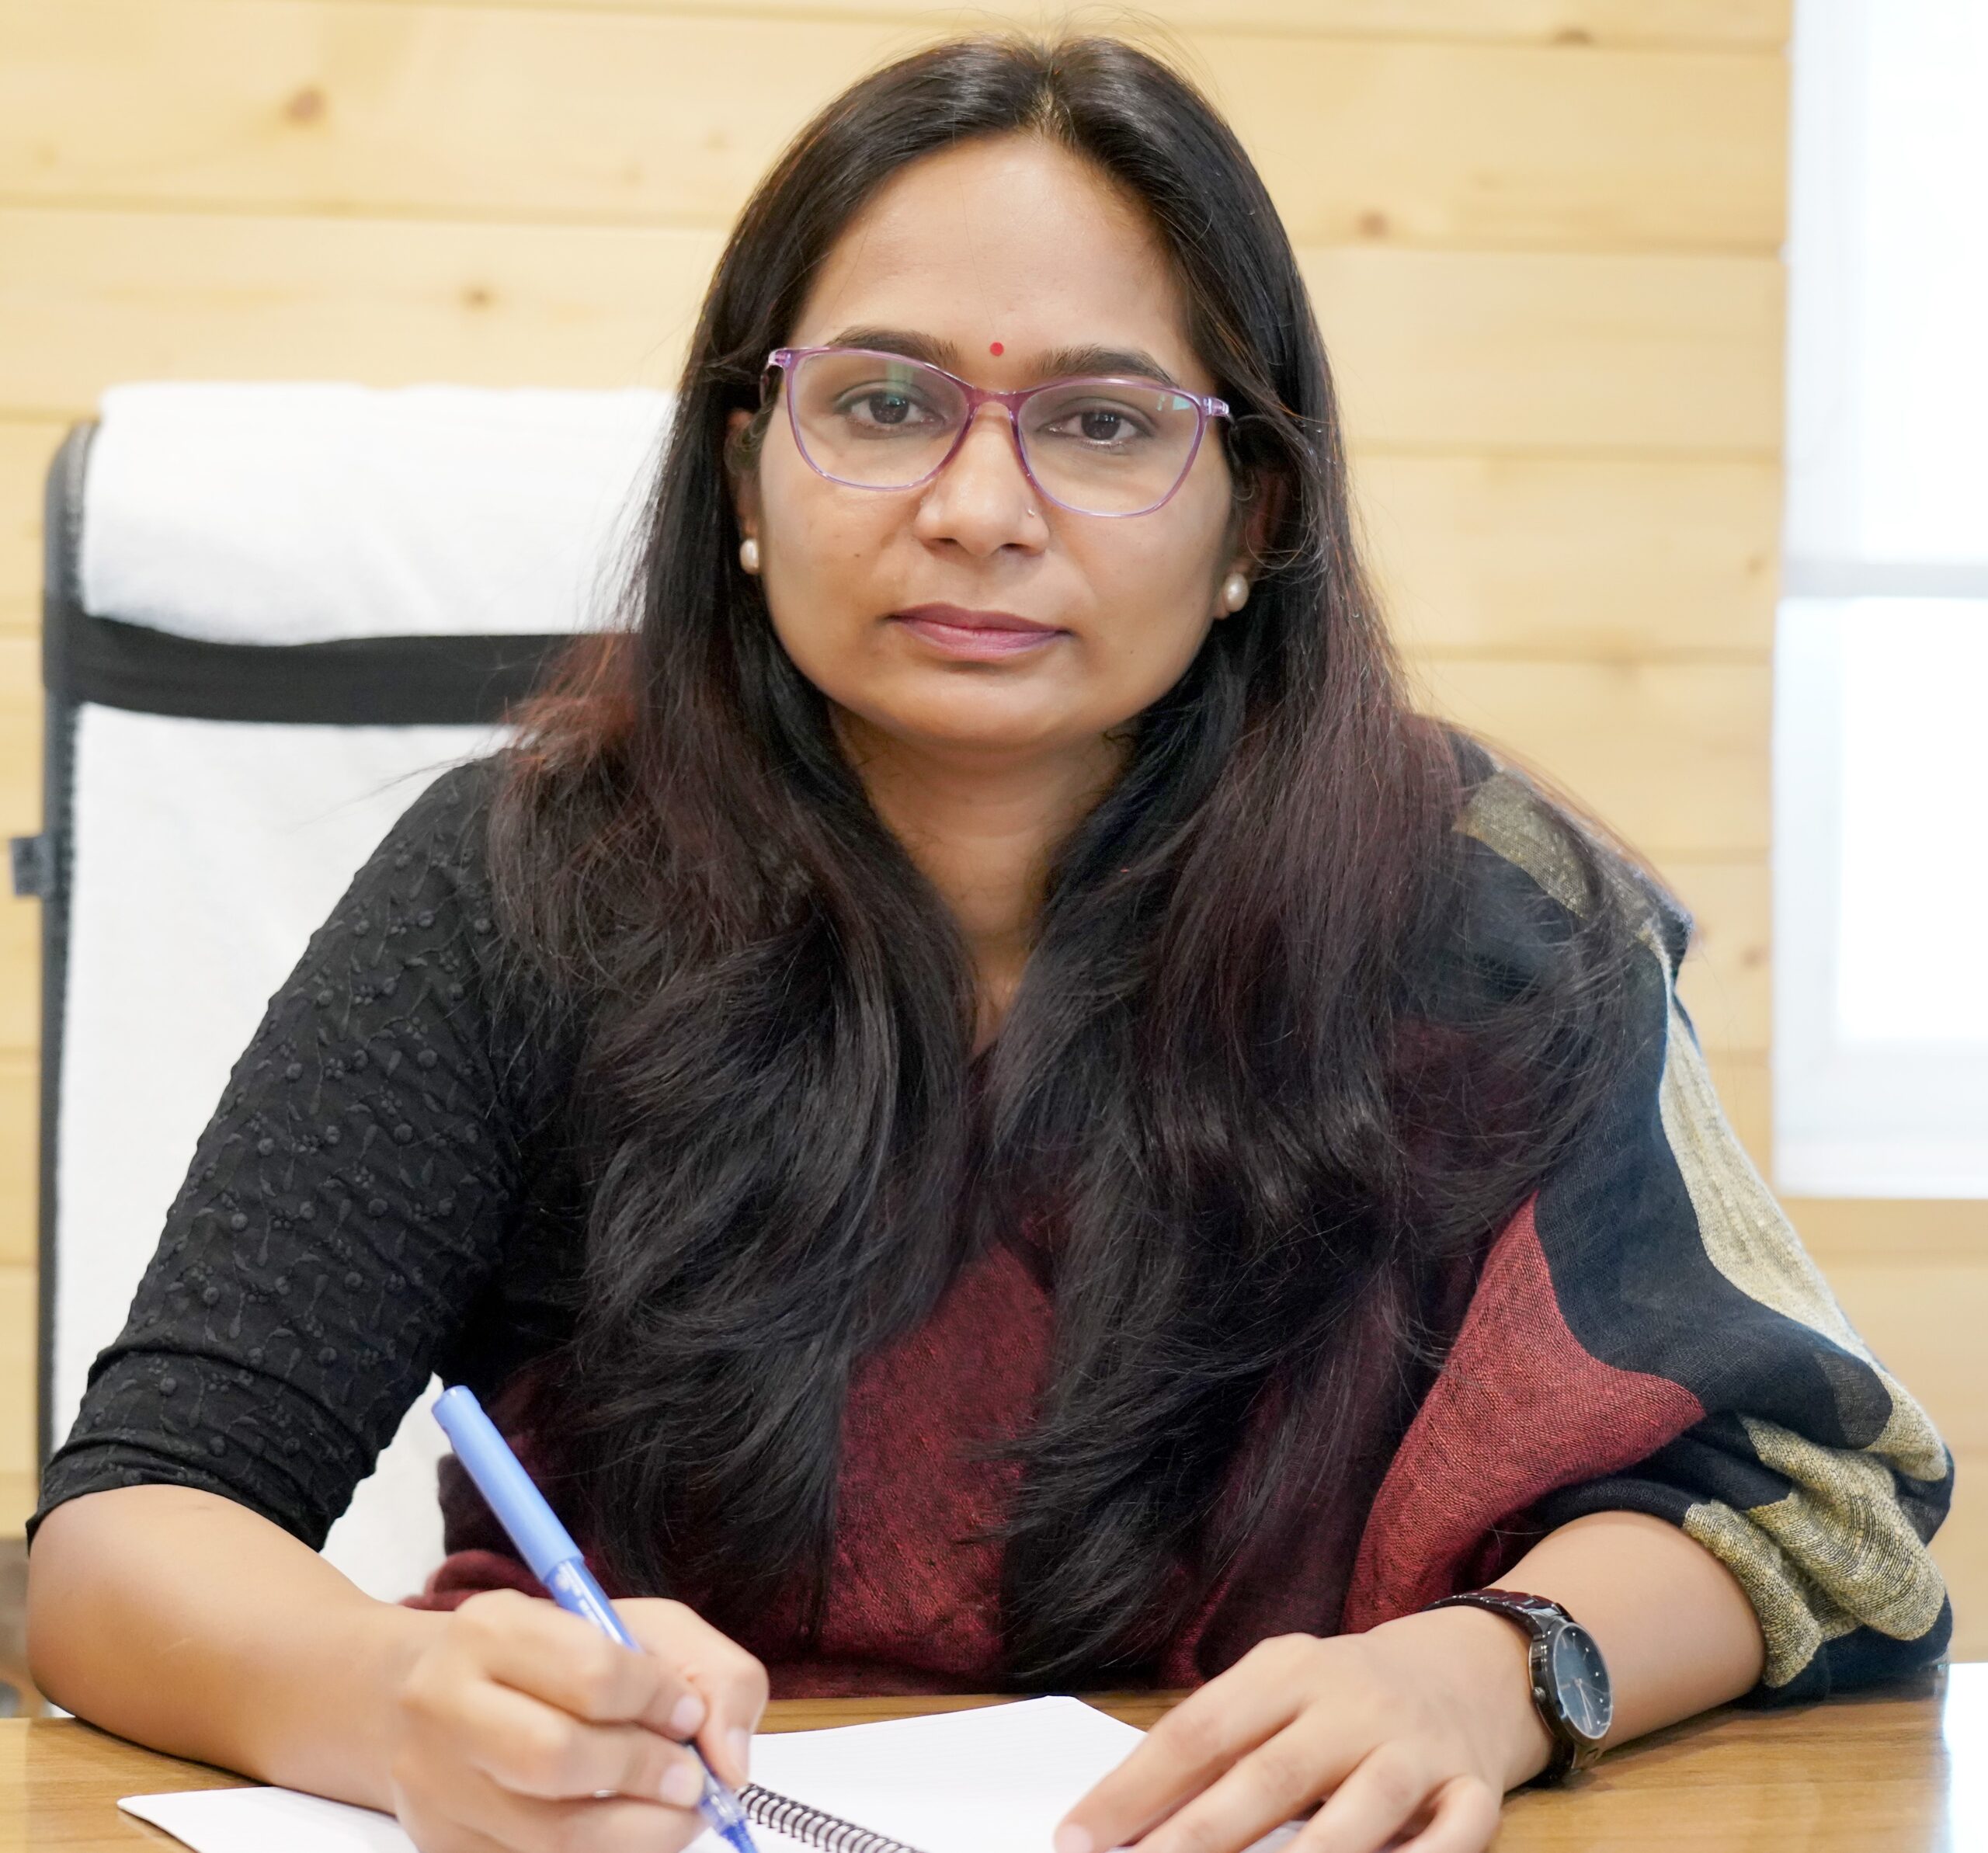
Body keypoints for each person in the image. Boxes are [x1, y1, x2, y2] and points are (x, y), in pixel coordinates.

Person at [25, 32, 1950, 1853]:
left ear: (1251, 516)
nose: (973, 509)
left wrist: (1482, 1673)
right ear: (742, 469)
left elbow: (1801, 1498)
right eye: (882, 403)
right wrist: (397, 1703)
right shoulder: (522, 881)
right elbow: (120, 1536)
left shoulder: (1478, 900)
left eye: (1101, 424)